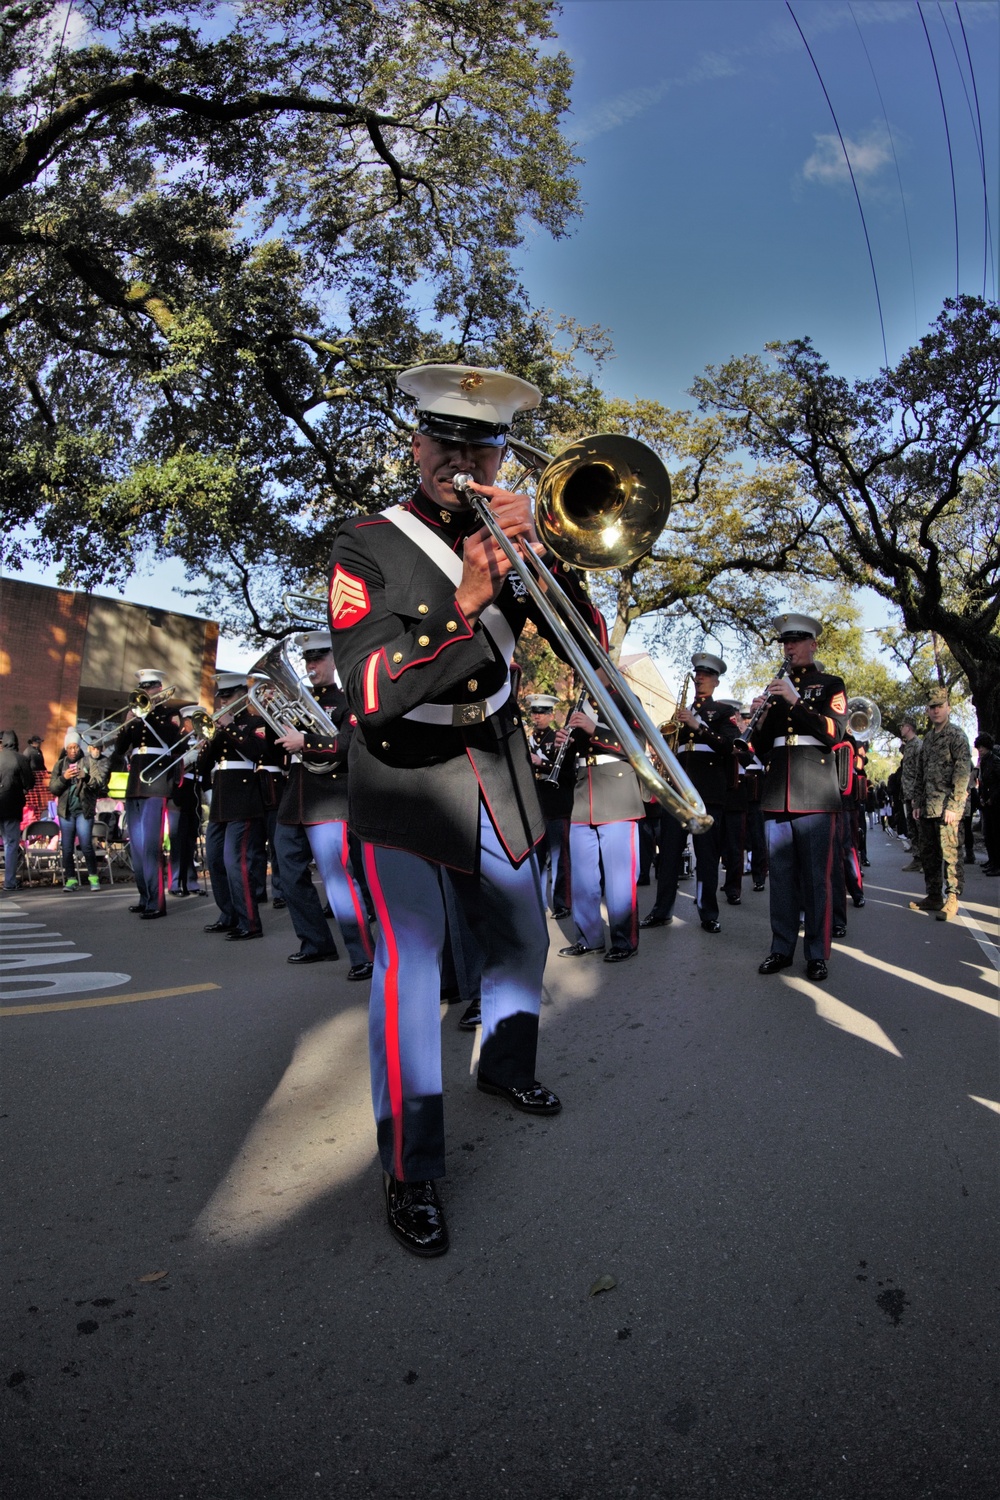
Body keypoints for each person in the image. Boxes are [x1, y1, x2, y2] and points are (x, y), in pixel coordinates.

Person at [328, 361, 605, 1258]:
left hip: (496, 760)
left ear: (499, 450)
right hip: (405, 772)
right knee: (412, 968)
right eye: (444, 440)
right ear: (416, 444)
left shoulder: (523, 535)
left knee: (525, 936)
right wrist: (470, 601)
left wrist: (553, 557)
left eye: (479, 441)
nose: (460, 456)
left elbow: (591, 653)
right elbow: (371, 688)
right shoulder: (366, 541)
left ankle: (505, 1068)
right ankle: (410, 1169)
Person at [749, 614, 848, 983]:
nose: (789, 648)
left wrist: (794, 701)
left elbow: (832, 733)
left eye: (796, 641)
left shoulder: (830, 685)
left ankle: (817, 953)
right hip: (778, 793)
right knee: (782, 878)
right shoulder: (777, 688)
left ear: (813, 644)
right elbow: (762, 747)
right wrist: (758, 723)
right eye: (785, 643)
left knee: (815, 879)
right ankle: (781, 947)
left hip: (816, 792)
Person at [272, 631, 374, 978]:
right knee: (288, 874)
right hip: (295, 798)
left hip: (329, 797)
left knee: (337, 877)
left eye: (318, 658)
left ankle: (364, 954)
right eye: (307, 660)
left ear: (333, 660)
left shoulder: (346, 700)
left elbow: (348, 744)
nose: (311, 665)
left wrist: (307, 741)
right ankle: (315, 942)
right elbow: (275, 747)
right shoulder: (295, 699)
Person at [640, 652, 737, 934]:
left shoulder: (721, 712)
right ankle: (662, 910)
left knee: (707, 857)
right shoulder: (679, 715)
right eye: (698, 674)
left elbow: (729, 746)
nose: (701, 679)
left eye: (707, 675)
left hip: (708, 793)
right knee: (668, 855)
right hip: (678, 793)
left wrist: (699, 727)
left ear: (716, 681)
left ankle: (708, 913)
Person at [558, 699, 644, 962]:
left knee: (619, 878)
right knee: (583, 878)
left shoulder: (624, 699)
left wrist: (595, 729)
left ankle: (623, 941)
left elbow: (638, 743)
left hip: (618, 793)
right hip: (583, 795)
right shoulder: (578, 704)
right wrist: (563, 743)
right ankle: (588, 938)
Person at [199, 673, 269, 940]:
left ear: (242, 695)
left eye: (228, 696)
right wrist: (208, 739)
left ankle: (249, 921)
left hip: (244, 800)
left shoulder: (255, 722)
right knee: (215, 859)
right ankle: (227, 914)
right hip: (221, 802)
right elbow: (204, 767)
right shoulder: (219, 728)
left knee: (234, 862)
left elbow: (256, 753)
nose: (223, 701)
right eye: (221, 697)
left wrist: (229, 726)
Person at [111, 671, 180, 918]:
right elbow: (120, 750)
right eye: (142, 688)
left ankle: (156, 902)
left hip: (156, 783)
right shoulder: (136, 718)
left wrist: (147, 715)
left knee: (151, 846)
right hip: (135, 785)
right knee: (137, 847)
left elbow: (174, 741)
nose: (145, 692)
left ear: (160, 688)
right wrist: (127, 723)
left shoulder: (170, 715)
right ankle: (144, 896)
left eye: (149, 687)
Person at [908, 687, 972, 922]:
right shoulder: (928, 739)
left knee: (951, 855)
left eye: (939, 706)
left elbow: (963, 771)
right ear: (928, 710)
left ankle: (952, 897)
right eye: (932, 707)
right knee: (929, 854)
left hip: (947, 809)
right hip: (928, 808)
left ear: (948, 708)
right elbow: (921, 773)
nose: (936, 710)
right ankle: (934, 895)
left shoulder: (956, 735)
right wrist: (917, 801)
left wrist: (955, 806)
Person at [526, 693, 573, 919]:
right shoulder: (528, 740)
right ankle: (538, 902)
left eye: (543, 713)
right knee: (537, 859)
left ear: (552, 715)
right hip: (536, 806)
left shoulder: (558, 739)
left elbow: (566, 773)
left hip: (557, 805)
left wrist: (541, 763)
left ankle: (562, 903)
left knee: (560, 858)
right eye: (535, 712)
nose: (537, 717)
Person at [49, 728, 110, 889]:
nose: (73, 750)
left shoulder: (88, 762)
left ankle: (93, 877)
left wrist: (86, 777)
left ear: (80, 747)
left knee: (86, 845)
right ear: (65, 748)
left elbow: (98, 784)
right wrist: (64, 778)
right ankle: (71, 879)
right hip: (66, 812)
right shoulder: (60, 764)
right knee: (67, 847)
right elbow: (53, 788)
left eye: (76, 746)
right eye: (70, 747)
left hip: (84, 811)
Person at [0, 730, 35, 891]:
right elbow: (29, 783)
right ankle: (10, 882)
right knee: (11, 844)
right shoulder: (20, 759)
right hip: (12, 807)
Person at [975, 733, 1000, 875]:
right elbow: (982, 783)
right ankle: (992, 860)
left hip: (996, 803)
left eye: (982, 747)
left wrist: (992, 797)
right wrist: (982, 798)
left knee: (996, 834)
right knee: (988, 834)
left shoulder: (995, 761)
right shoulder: (983, 762)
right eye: (979, 748)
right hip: (986, 803)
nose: (980, 750)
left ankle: (997, 864)